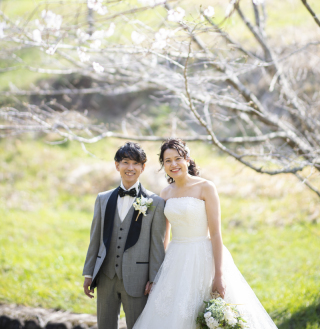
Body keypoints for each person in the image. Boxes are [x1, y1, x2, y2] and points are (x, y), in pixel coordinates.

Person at [133, 138, 278, 329]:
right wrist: (156, 275)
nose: (173, 164)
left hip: (203, 256)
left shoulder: (206, 187)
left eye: (178, 158)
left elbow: (216, 234)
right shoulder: (165, 193)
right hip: (175, 260)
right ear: (163, 165)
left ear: (187, 159)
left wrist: (218, 275)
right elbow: (164, 237)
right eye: (168, 161)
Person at [82, 142, 166, 329]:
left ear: (143, 167)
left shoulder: (156, 203)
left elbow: (157, 245)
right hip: (105, 276)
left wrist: (154, 279)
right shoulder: (102, 199)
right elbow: (95, 238)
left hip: (138, 279)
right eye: (125, 162)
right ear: (116, 165)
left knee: (138, 326)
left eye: (135, 163)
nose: (130, 168)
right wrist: (89, 272)